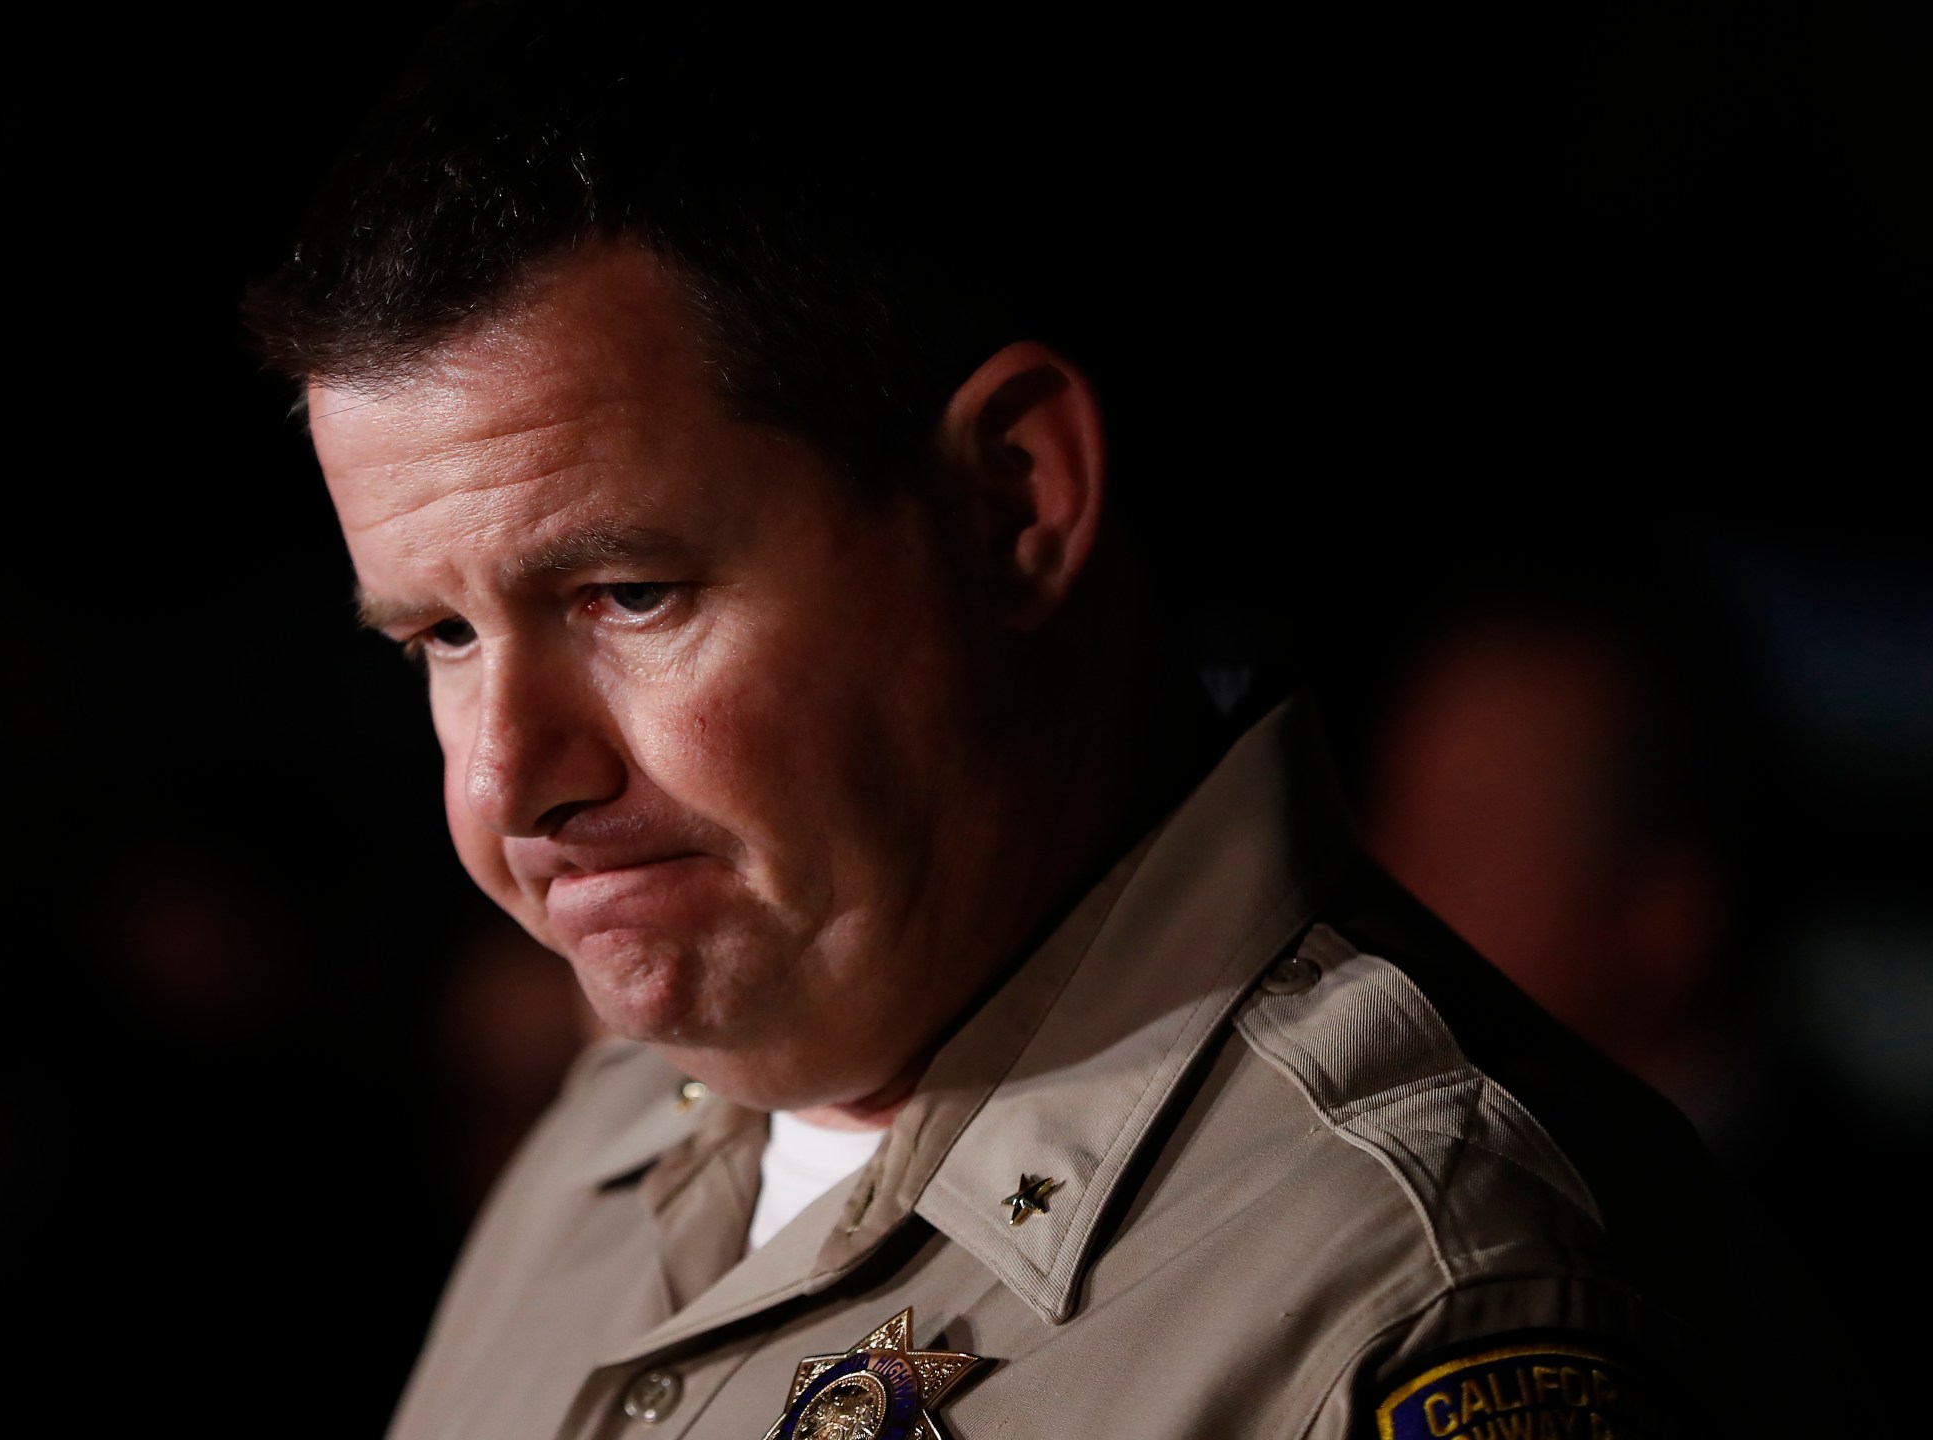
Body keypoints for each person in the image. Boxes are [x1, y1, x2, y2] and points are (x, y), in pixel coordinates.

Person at [244, 7, 1762, 1435]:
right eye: (439, 636)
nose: (510, 778)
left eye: (628, 594)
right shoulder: (604, 1148)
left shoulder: (1411, 1293)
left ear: (1011, 508)